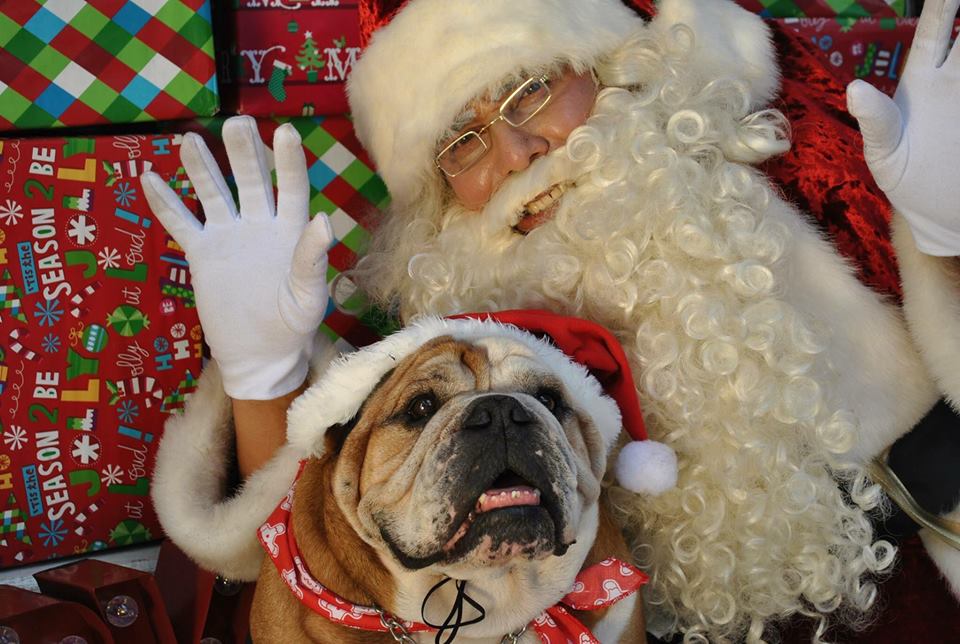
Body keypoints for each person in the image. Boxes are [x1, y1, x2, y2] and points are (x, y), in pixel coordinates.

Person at [142, 0, 960, 641]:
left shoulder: (806, 180)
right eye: (464, 143)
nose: (519, 154)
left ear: (615, 69)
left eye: (534, 89)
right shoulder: (461, 328)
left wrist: (948, 236)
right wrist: (263, 372)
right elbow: (315, 534)